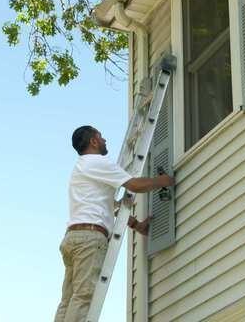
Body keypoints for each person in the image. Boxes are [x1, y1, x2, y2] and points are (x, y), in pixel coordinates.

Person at [54, 125, 175, 322]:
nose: (104, 140)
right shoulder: (97, 162)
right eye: (100, 137)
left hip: (73, 238)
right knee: (84, 296)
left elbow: (109, 206)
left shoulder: (82, 167)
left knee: (68, 300)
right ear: (93, 141)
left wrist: (136, 225)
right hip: (89, 239)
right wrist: (161, 181)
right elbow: (134, 185)